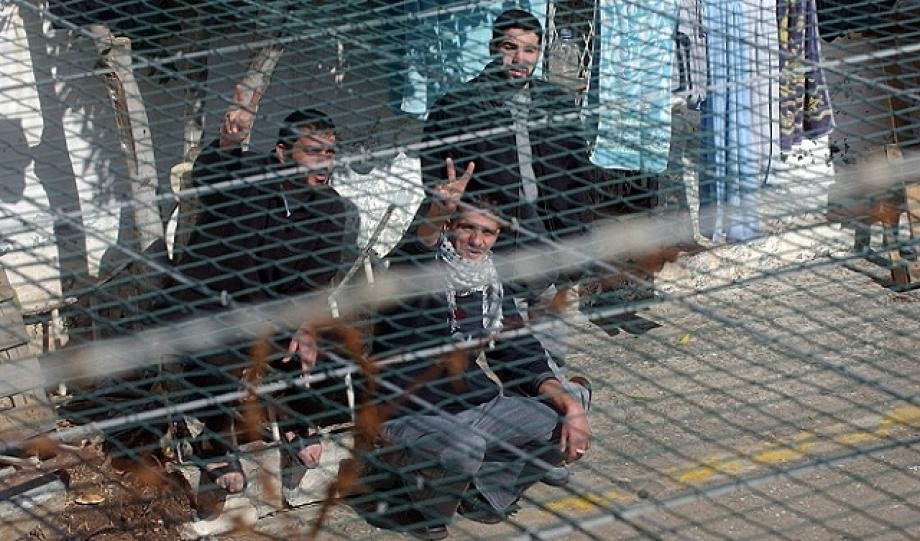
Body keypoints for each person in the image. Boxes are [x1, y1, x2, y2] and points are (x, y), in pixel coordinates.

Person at [363, 178, 591, 540]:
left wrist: (571, 406)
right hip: (409, 411)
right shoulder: (417, 273)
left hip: (473, 405)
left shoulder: (491, 285)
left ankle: (485, 493)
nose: (477, 240)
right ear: (450, 227)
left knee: (566, 408)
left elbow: (520, 352)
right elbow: (416, 249)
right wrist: (436, 211)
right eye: (468, 228)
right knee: (465, 447)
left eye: (488, 232)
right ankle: (420, 509)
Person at [171, 85, 360, 496]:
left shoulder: (330, 209)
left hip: (275, 311)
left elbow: (315, 280)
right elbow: (212, 175)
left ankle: (297, 419)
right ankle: (215, 440)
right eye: (313, 152)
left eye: (330, 153)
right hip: (214, 303)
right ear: (281, 153)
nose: (324, 163)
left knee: (326, 344)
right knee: (224, 351)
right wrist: (229, 141)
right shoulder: (248, 178)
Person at [416, 7, 593, 427]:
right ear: (494, 48)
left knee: (549, 361)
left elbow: (578, 180)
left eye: (530, 50)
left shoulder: (556, 103)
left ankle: (549, 433)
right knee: (512, 362)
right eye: (510, 47)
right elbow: (437, 185)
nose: (519, 58)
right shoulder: (458, 108)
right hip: (494, 258)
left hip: (548, 256)